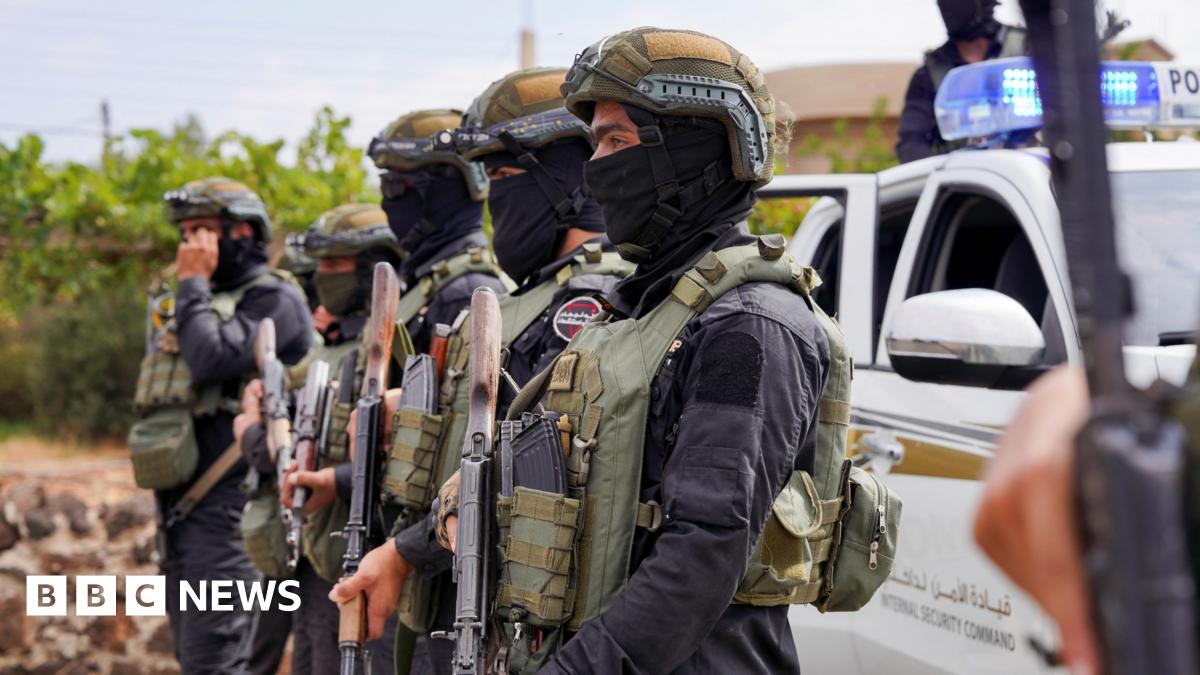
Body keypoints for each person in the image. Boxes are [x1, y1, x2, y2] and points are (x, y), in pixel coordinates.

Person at [336, 27, 843, 674]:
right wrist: (405, 552)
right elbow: (523, 475)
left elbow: (703, 553)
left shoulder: (749, 327)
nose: (595, 167)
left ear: (694, 147)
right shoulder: (639, 311)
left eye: (615, 141)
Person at [326, 66, 634, 675]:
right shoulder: (530, 297)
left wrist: (406, 552)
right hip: (463, 584)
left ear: (567, 180)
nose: (494, 197)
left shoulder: (593, 299)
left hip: (522, 618)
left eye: (505, 175)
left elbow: (530, 466)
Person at [282, 109, 510, 674]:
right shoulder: (424, 286)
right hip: (398, 533)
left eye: (401, 187)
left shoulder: (469, 290)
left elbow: (472, 441)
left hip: (432, 547)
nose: (391, 203)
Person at [134, 178, 312, 674]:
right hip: (182, 509)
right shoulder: (194, 306)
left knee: (218, 658)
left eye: (203, 231)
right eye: (185, 233)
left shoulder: (274, 301)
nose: (190, 245)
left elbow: (212, 359)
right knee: (196, 656)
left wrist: (191, 284)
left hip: (233, 510)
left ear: (242, 233)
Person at [234, 203, 405, 675]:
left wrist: (251, 432)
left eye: (334, 264)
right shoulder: (328, 352)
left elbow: (398, 458)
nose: (323, 277)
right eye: (319, 266)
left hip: (362, 551)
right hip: (316, 551)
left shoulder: (391, 344)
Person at [895, 0, 1026, 162]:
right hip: (966, 179)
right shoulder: (929, 74)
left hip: (1035, 175)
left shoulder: (1028, 49)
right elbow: (911, 144)